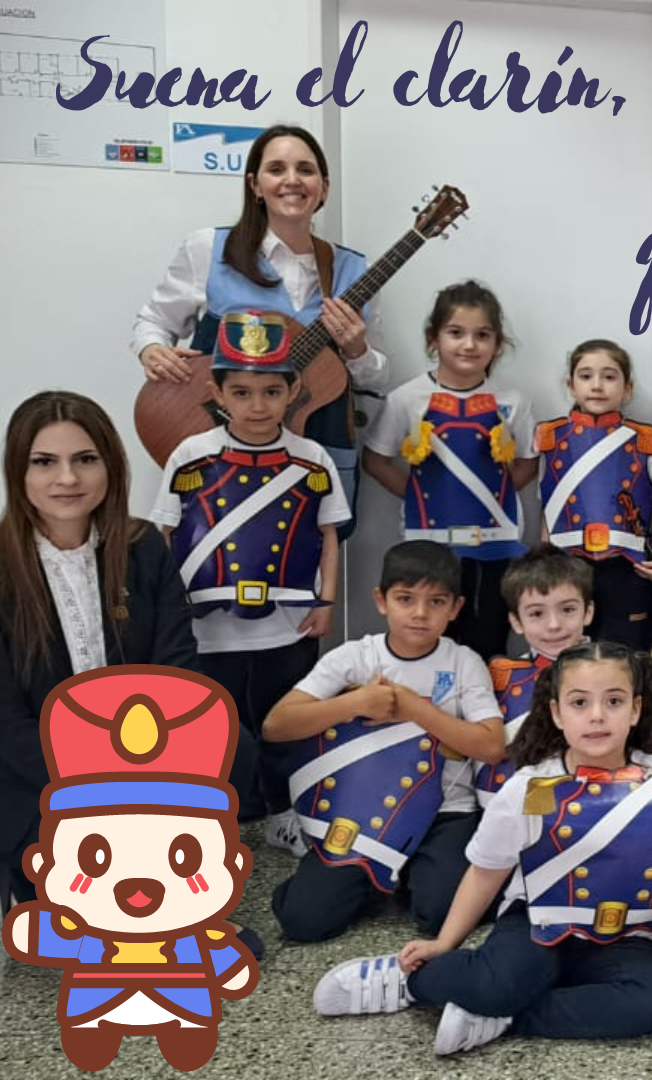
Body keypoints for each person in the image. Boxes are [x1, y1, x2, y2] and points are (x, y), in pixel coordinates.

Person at [311, 641, 652, 1055]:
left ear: (635, 709)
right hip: (536, 922)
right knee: (499, 983)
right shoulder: (527, 787)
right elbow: (484, 874)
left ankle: (504, 1017)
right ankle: (409, 982)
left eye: (613, 701)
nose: (597, 715)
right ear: (557, 713)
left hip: (622, 934)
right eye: (579, 703)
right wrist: (444, 944)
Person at [0, 395, 209, 916]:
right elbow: (8, 721)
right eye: (44, 462)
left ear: (110, 465)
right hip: (41, 783)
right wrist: (91, 788)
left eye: (85, 459)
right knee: (91, 916)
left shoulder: (144, 547)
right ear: (18, 471)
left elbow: (177, 671)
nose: (67, 478)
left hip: (144, 765)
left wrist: (140, 775)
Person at [149, 312, 348, 854]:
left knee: (285, 724)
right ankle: (214, 819)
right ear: (217, 393)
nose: (257, 405)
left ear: (293, 391)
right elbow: (166, 537)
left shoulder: (312, 457)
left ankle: (285, 813)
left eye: (271, 391)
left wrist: (327, 601)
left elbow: (329, 536)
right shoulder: (190, 455)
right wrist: (171, 614)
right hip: (209, 628)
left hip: (288, 623)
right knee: (212, 729)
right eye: (241, 392)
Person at [133, 124, 387, 530]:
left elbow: (375, 376)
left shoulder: (354, 270)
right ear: (255, 184)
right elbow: (153, 322)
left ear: (324, 188)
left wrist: (357, 350)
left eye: (305, 170)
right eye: (277, 169)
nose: (292, 180)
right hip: (214, 446)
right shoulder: (208, 249)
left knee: (308, 553)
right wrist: (153, 350)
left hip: (314, 447)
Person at [263, 540, 506, 943]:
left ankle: (400, 873)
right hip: (362, 811)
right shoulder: (354, 657)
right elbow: (277, 725)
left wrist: (412, 708)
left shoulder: (464, 662)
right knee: (303, 920)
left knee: (443, 913)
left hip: (445, 813)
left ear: (455, 608)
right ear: (381, 601)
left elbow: (492, 746)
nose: (420, 613)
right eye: (405, 599)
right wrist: (355, 703)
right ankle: (376, 875)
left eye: (436, 602)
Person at [362, 281, 537, 660]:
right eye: (456, 333)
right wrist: (420, 495)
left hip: (495, 545)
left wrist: (494, 499)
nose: (469, 345)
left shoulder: (513, 401)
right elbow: (375, 459)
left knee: (488, 639)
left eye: (482, 335)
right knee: (426, 639)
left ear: (498, 344)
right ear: (434, 338)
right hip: (428, 544)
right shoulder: (406, 399)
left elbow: (528, 460)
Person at [535, 339, 652, 651]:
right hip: (566, 569)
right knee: (567, 655)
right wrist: (542, 562)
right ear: (571, 386)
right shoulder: (551, 440)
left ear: (627, 389)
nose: (597, 385)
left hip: (627, 570)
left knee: (628, 655)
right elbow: (548, 511)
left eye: (609, 376)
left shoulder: (643, 441)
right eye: (586, 376)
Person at [473, 544, 596, 808]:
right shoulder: (498, 676)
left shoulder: (617, 674)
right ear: (516, 622)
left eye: (567, 610)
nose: (554, 625)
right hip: (500, 808)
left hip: (583, 808)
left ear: (588, 612)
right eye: (537, 614)